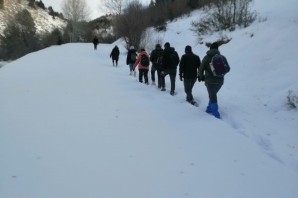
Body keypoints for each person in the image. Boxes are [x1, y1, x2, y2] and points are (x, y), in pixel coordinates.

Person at [198, 42, 230, 118]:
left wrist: (201, 76)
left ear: (210, 49)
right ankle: (209, 109)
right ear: (217, 49)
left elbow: (201, 69)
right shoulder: (222, 57)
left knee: (212, 96)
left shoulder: (206, 57)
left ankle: (216, 114)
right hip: (220, 81)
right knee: (213, 94)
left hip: (209, 81)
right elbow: (228, 69)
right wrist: (221, 73)